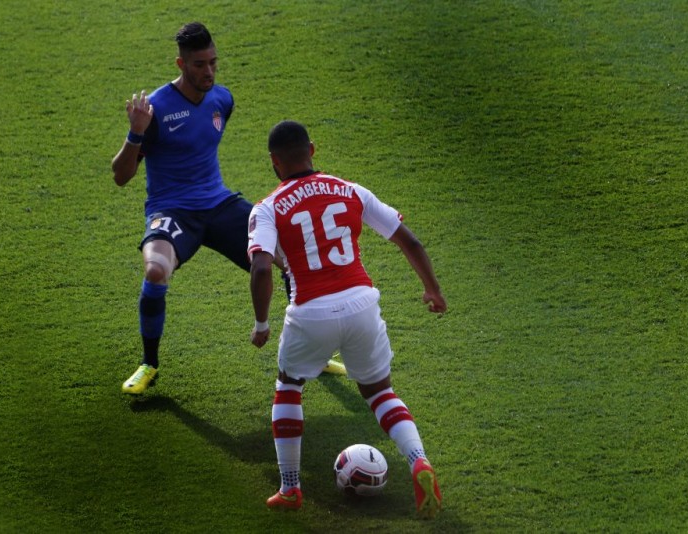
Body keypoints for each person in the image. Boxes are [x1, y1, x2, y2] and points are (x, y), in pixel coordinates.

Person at [111, 23, 343, 395]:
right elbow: (121, 176)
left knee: (289, 256)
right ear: (181, 64)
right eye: (200, 64)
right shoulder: (156, 109)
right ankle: (148, 364)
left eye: (214, 63)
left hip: (219, 204)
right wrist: (136, 132)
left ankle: (311, 352)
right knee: (156, 272)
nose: (209, 72)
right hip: (173, 210)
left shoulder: (222, 100)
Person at [248, 120, 447, 519]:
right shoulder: (350, 189)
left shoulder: (268, 207)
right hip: (361, 303)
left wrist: (262, 323)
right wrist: (432, 290)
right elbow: (409, 240)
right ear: (313, 150)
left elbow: (262, 269)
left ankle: (290, 488)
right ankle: (419, 461)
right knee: (379, 393)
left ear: (274, 161)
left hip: (311, 311)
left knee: (288, 387)